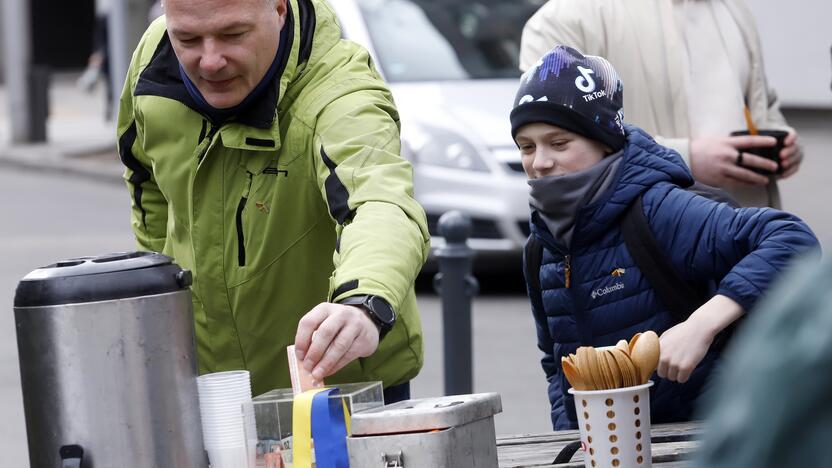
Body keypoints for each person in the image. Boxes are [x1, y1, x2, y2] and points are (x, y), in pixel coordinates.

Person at [116, 0, 430, 402]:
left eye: (233, 35)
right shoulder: (152, 60)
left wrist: (364, 302)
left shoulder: (341, 92)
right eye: (188, 38)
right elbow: (146, 184)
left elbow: (380, 203)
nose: (210, 61)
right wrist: (160, 300)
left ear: (279, 10)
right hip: (210, 390)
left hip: (340, 387)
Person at [511, 45, 819, 430]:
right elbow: (555, 362)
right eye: (527, 146)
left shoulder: (657, 209)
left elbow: (790, 239)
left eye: (559, 143)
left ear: (604, 141)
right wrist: (569, 436)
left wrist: (701, 326)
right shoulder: (541, 246)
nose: (539, 161)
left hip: (709, 439)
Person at [519, 0, 802, 209]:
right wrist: (685, 158)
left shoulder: (735, 11)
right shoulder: (563, 18)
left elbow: (762, 103)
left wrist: (782, 141)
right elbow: (551, 143)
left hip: (748, 230)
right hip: (643, 250)